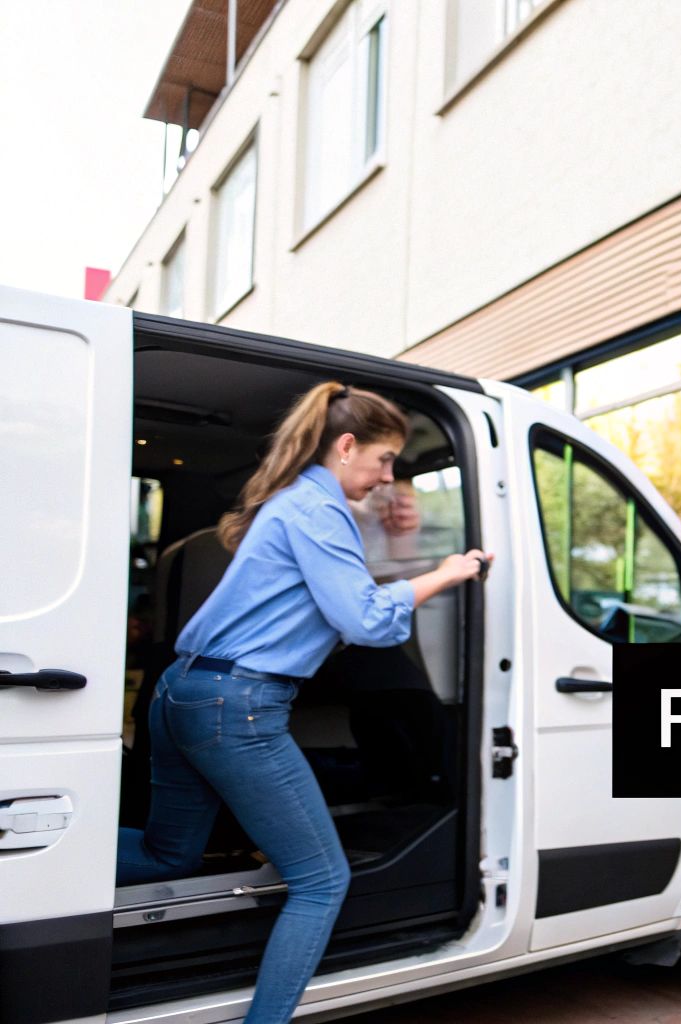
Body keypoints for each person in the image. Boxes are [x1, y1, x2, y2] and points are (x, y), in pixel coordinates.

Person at [117, 381, 492, 1023]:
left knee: (166, 854)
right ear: (347, 446)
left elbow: (342, 595)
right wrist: (447, 572)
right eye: (384, 460)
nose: (388, 475)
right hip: (238, 707)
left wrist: (398, 546)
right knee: (323, 880)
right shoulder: (318, 513)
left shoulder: (296, 504)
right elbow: (367, 622)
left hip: (183, 691)